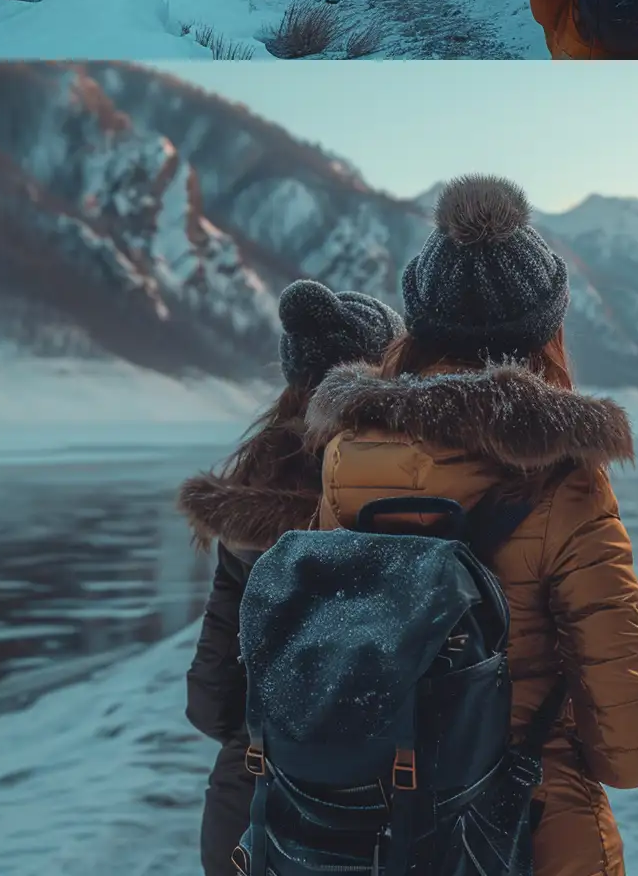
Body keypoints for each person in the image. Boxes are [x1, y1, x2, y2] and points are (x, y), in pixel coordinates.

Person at [306, 176, 638, 876]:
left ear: (418, 327)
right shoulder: (565, 484)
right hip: (528, 834)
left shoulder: (346, 462)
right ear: (546, 332)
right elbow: (635, 752)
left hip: (372, 830)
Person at [178, 279, 404, 876]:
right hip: (374, 814)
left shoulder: (248, 504)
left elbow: (208, 701)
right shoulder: (405, 502)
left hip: (250, 811)